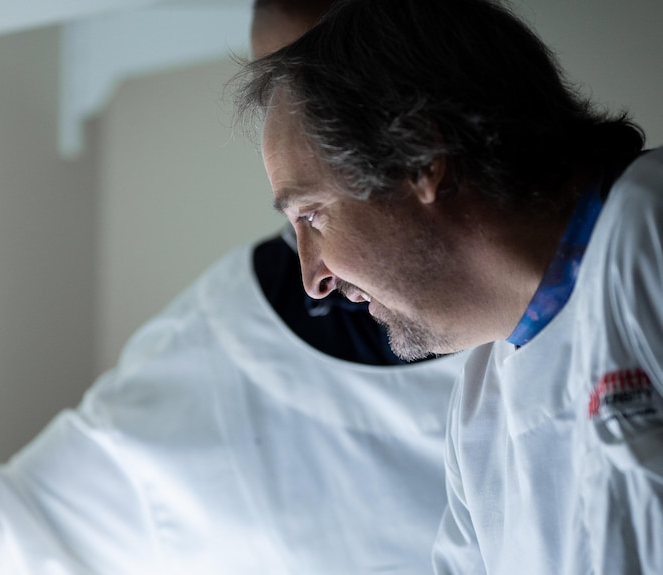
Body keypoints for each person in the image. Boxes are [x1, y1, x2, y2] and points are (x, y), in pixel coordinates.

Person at [0, 1, 468, 573]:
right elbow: (27, 516)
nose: (298, 117)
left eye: (333, 88)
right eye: (273, 87)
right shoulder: (227, 342)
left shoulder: (546, 320)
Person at [235, 0, 662, 572]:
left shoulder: (648, 230)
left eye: (312, 215)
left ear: (423, 159)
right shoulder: (480, 404)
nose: (313, 280)